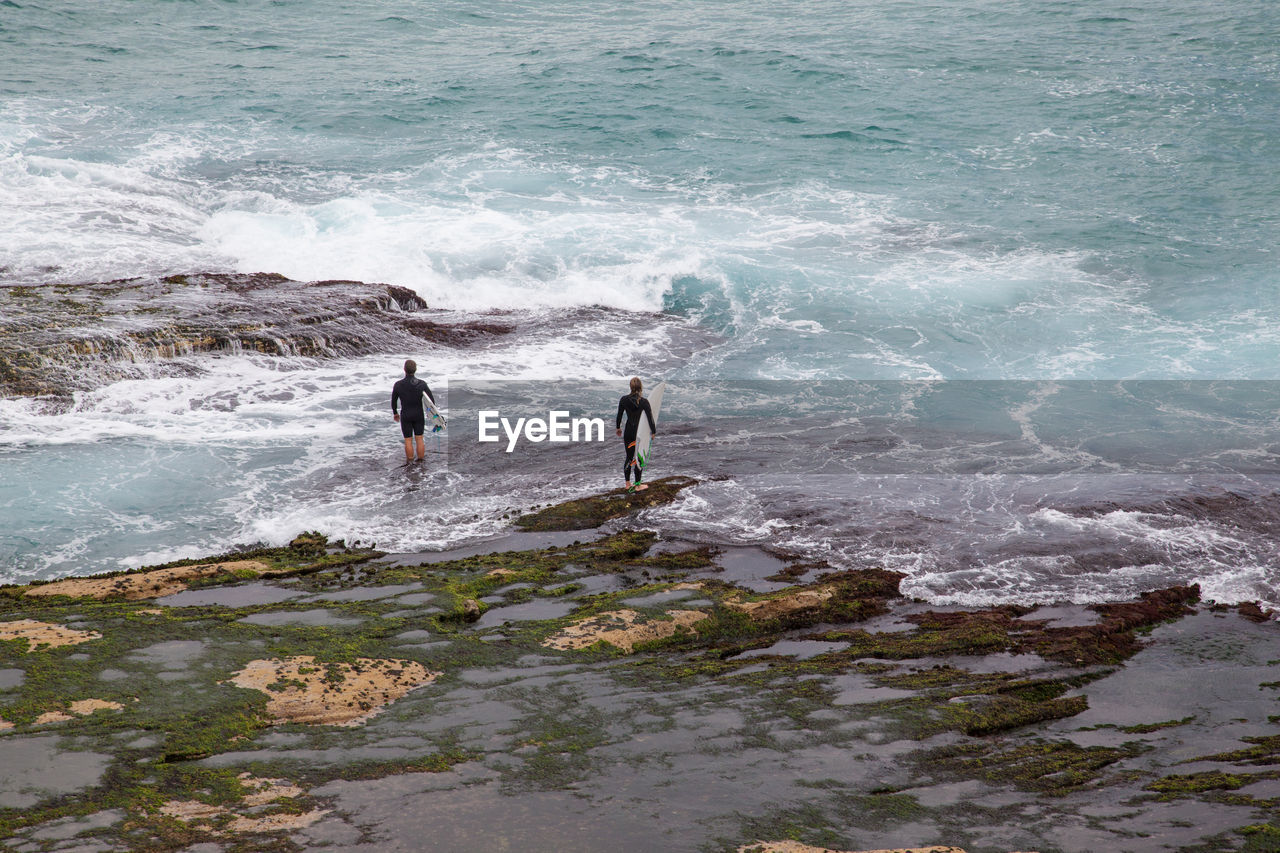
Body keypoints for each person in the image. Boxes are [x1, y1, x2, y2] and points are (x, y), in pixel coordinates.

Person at [615, 376, 656, 491]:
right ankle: (638, 485)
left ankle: (628, 484)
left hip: (628, 432)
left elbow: (619, 415)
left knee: (629, 457)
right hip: (639, 434)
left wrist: (618, 428)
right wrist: (653, 431)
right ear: (641, 387)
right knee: (640, 457)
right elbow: (650, 418)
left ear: (630, 387)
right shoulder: (644, 402)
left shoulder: (623, 399)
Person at [391, 359, 436, 463]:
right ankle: (420, 461)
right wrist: (430, 413)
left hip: (406, 414)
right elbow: (431, 401)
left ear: (404, 369)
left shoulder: (398, 384)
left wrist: (395, 413)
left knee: (408, 440)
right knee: (419, 438)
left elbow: (393, 401)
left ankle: (410, 462)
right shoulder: (422, 384)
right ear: (415, 370)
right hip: (418, 414)